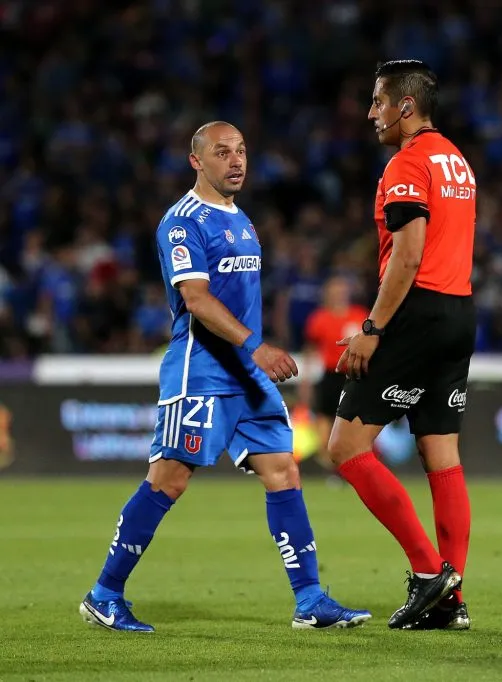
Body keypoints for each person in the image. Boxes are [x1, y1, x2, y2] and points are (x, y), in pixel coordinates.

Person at [79, 121, 370, 632]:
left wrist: (254, 351)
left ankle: (309, 600)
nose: (236, 161)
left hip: (247, 376)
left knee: (285, 471)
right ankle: (104, 594)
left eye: (241, 151)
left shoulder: (242, 219)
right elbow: (194, 298)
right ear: (197, 161)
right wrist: (255, 346)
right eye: (222, 152)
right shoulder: (181, 222)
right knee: (168, 480)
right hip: (202, 372)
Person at [327, 60, 476, 631]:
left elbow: (409, 255)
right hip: (459, 308)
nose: (371, 114)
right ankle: (452, 602)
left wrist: (372, 329)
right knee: (442, 455)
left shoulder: (408, 163)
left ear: (405, 106)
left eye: (378, 102)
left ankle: (427, 574)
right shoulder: (456, 160)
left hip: (417, 312)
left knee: (345, 447)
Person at [300, 276, 369, 467]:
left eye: (342, 290)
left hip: (355, 375)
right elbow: (310, 351)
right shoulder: (319, 318)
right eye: (335, 290)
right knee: (324, 420)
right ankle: (328, 465)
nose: (339, 294)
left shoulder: (360, 315)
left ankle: (351, 464)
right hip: (331, 375)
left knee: (354, 426)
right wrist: (305, 382)